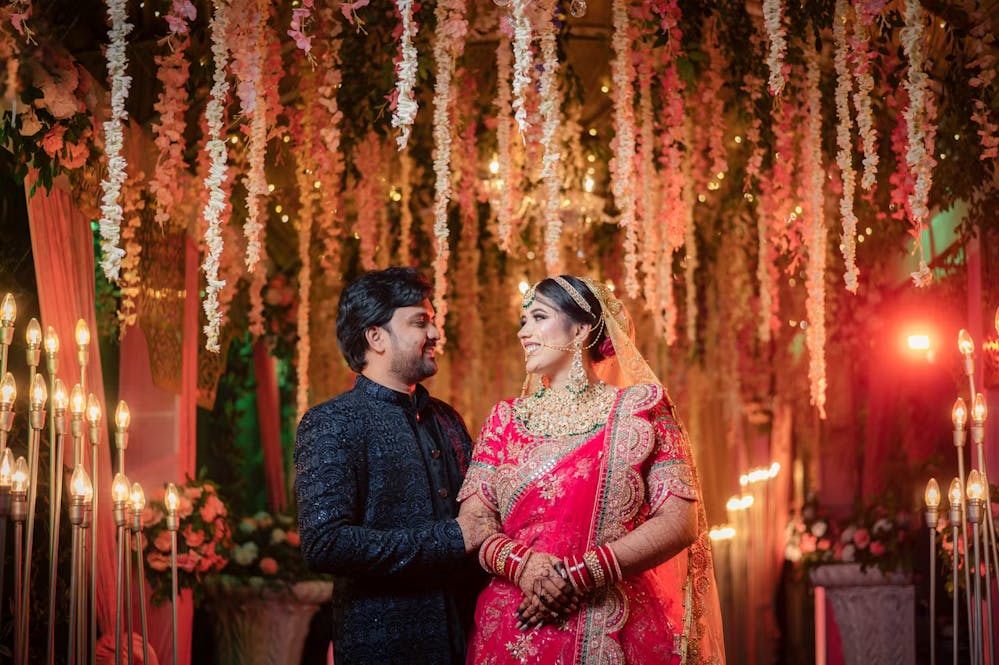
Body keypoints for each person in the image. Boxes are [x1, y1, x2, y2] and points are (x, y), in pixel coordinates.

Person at [457, 275, 725, 664]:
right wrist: (525, 566)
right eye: (522, 321)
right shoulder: (504, 419)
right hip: (517, 622)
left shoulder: (643, 409)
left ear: (581, 328)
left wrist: (580, 575)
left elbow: (681, 521)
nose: (523, 332)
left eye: (538, 317)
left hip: (614, 621)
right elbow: (474, 523)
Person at [295, 267, 496, 665]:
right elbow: (325, 544)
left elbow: (482, 518)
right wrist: (450, 539)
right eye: (420, 322)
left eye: (433, 321)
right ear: (376, 337)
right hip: (384, 648)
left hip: (469, 641)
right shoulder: (332, 422)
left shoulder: (447, 419)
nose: (436, 334)